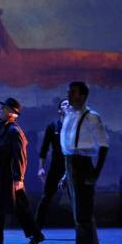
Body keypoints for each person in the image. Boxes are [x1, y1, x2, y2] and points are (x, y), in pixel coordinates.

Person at [59, 81, 108, 244]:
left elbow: (103, 145)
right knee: (81, 218)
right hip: (71, 165)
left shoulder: (91, 117)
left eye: (73, 93)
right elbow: (68, 146)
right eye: (69, 92)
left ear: (83, 96)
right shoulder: (70, 115)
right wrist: (66, 173)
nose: (69, 96)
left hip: (82, 164)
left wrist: (95, 172)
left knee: (83, 220)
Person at [0, 97, 44, 244]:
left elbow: (20, 156)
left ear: (11, 113)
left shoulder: (14, 131)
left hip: (10, 173)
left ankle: (35, 235)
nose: (0, 110)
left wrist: (19, 178)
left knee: (19, 206)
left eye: (3, 108)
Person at [35, 99, 68, 231]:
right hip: (56, 165)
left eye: (69, 104)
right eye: (64, 104)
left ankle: (86, 232)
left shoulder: (75, 126)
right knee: (46, 197)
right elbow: (44, 148)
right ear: (59, 110)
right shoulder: (53, 126)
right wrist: (41, 168)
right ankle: (35, 230)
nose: (67, 106)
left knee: (77, 199)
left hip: (71, 165)